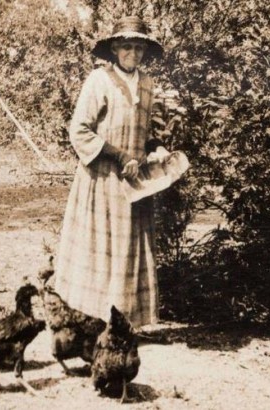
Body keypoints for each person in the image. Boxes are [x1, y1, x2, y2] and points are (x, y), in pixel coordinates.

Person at [54, 16, 166, 329]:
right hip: (102, 178)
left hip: (134, 181)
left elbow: (148, 131)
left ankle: (125, 322)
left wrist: (157, 149)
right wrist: (118, 155)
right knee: (101, 249)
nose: (134, 53)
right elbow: (79, 130)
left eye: (139, 47)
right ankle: (94, 320)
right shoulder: (99, 81)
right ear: (115, 48)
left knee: (129, 249)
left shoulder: (147, 83)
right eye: (127, 46)